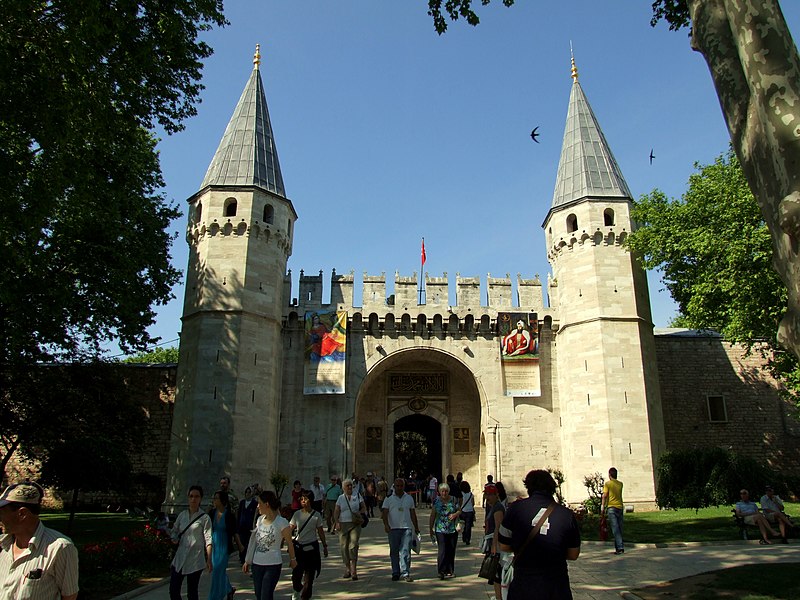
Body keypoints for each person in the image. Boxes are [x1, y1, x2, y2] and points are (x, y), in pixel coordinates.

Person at [498, 469, 580, 600]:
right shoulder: (566, 515)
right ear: (552, 487)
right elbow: (573, 554)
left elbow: (503, 545)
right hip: (556, 586)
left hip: (524, 584)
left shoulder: (515, 509)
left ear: (528, 487)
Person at [0, 481, 79, 600]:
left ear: (22, 514)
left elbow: (70, 597)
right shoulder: (2, 545)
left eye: (1, 513)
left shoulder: (59, 548)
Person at [243, 490, 297, 600]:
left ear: (266, 504)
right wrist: (247, 560)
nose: (258, 506)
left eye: (259, 503)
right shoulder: (259, 520)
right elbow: (254, 542)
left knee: (266, 595)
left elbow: (290, 543)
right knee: (258, 594)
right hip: (257, 564)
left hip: (273, 565)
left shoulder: (282, 522)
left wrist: (293, 559)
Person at [170, 485, 213, 600]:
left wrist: (209, 559)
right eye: (191, 496)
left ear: (200, 499)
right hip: (180, 558)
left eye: (196, 496)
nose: (193, 499)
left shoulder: (204, 518)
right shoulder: (182, 515)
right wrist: (174, 538)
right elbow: (174, 530)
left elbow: (208, 539)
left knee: (192, 592)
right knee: (173, 589)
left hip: (195, 559)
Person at [289, 490, 328, 600]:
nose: (302, 501)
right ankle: (297, 588)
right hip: (299, 548)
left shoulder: (316, 515)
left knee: (309, 577)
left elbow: (320, 531)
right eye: (301, 499)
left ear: (310, 500)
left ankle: (305, 596)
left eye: (305, 499)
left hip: (311, 549)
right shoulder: (297, 514)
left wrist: (325, 546)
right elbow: (290, 528)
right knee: (296, 574)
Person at [381, 478, 420, 582]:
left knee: (406, 551)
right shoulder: (388, 499)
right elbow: (384, 513)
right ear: (394, 486)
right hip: (393, 528)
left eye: (401, 486)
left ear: (404, 486)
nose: (399, 488)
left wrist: (416, 527)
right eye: (397, 486)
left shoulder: (409, 498)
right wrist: (386, 525)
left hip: (406, 528)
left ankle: (405, 572)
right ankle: (395, 572)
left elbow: (413, 513)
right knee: (394, 551)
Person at [208, 490, 242, 600]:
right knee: (217, 571)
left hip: (224, 546)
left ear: (222, 500)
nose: (214, 500)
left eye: (216, 498)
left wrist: (240, 545)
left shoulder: (229, 515)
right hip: (214, 545)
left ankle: (215, 596)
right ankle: (228, 589)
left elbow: (234, 531)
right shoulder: (212, 513)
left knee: (218, 570)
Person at [333, 478, 367, 580]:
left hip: (355, 523)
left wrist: (359, 513)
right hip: (343, 524)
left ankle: (353, 570)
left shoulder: (357, 496)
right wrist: (336, 522)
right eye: (347, 485)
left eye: (350, 485)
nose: (349, 487)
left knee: (353, 545)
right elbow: (336, 511)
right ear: (343, 488)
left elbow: (363, 507)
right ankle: (347, 568)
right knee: (344, 546)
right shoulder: (340, 498)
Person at [429, 482, 461, 579]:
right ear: (439, 492)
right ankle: (441, 571)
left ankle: (450, 570)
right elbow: (433, 514)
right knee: (442, 550)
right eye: (442, 491)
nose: (444, 493)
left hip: (452, 529)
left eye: (446, 491)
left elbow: (459, 510)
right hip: (440, 529)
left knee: (451, 549)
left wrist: (455, 515)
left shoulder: (454, 499)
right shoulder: (436, 501)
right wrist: (430, 528)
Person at [483, 484, 509, 600]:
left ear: (495, 495)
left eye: (489, 495)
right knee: (494, 574)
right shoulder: (493, 506)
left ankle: (500, 597)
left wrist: (494, 545)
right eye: (486, 494)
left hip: (497, 546)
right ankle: (499, 596)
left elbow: (498, 527)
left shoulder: (498, 508)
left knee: (497, 573)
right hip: (494, 544)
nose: (487, 497)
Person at [600, 467, 624, 555]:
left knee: (615, 528)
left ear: (609, 475)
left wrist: (602, 507)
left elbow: (605, 495)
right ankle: (618, 547)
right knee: (619, 528)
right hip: (620, 507)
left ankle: (620, 547)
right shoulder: (621, 484)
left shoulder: (608, 484)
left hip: (612, 507)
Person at [238, 486, 259, 564]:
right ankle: (242, 558)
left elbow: (255, 514)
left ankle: (247, 558)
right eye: (246, 492)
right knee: (241, 542)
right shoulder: (242, 502)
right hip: (242, 526)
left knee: (248, 543)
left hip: (249, 526)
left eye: (249, 492)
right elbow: (239, 513)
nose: (247, 494)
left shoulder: (254, 503)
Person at [459, 480, 476, 545]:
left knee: (463, 525)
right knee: (468, 526)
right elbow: (473, 503)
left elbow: (459, 503)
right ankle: (467, 539)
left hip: (462, 511)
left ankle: (464, 536)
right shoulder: (471, 494)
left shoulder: (461, 494)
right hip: (470, 511)